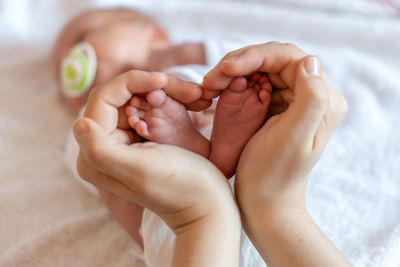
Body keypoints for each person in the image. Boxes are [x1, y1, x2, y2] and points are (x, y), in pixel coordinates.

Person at [73, 42, 351, 266]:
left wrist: (198, 216)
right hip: (286, 236)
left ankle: (200, 149)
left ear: (155, 35)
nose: (67, 63)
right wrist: (274, 205)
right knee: (125, 173)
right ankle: (207, 149)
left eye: (80, 37)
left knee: (132, 185)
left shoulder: (174, 60)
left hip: (190, 246)